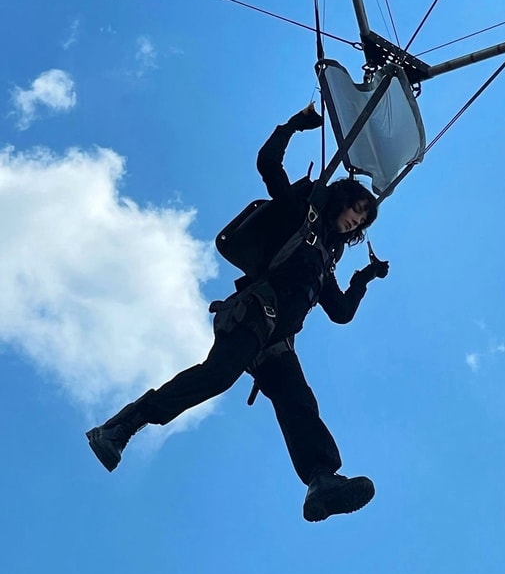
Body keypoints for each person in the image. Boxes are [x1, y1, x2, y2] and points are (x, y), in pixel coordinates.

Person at [86, 103, 389, 522]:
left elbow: (340, 312)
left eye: (363, 221)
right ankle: (121, 426)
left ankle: (321, 481)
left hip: (275, 343)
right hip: (251, 314)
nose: (357, 221)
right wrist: (293, 126)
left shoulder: (324, 262)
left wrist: (364, 279)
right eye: (357, 210)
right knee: (218, 375)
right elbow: (268, 164)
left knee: (298, 401)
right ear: (342, 200)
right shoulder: (301, 215)